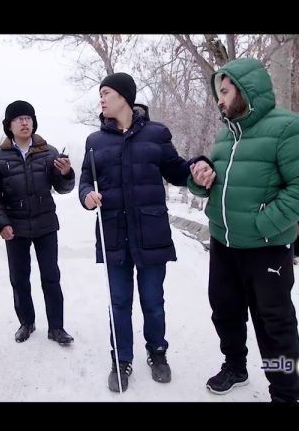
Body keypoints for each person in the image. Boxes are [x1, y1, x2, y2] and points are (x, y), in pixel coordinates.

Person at [188, 57, 299, 402]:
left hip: (266, 248)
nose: (219, 100)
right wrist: (200, 179)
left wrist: (263, 224)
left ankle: (285, 393)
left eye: (224, 91)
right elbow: (217, 184)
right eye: (218, 93)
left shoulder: (288, 127)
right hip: (224, 243)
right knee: (225, 311)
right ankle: (235, 367)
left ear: (246, 89)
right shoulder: (226, 135)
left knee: (273, 323)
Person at [79, 72, 210, 393]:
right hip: (113, 233)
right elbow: (84, 180)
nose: (101, 99)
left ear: (124, 96)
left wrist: (197, 165)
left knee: (153, 301)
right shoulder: (95, 142)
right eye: (100, 94)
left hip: (151, 232)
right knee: (119, 302)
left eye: (106, 93)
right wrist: (87, 195)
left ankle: (158, 353)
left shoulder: (156, 134)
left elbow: (177, 170)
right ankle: (121, 359)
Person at [0, 100, 76, 345]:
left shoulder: (49, 152)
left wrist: (66, 173)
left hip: (46, 224)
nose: (24, 122)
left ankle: (57, 328)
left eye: (28, 118)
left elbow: (63, 188)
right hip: (14, 227)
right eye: (18, 119)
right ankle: (26, 323)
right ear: (9, 126)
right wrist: (1, 223)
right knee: (19, 278)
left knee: (51, 276)